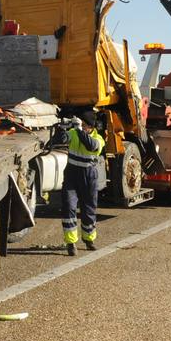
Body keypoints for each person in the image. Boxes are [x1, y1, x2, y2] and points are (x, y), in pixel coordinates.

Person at [61, 109, 105, 255]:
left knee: (89, 209)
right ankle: (71, 242)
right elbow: (62, 140)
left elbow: (90, 146)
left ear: (92, 127)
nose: (83, 127)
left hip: (89, 176)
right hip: (72, 174)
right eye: (82, 124)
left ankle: (88, 239)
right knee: (69, 207)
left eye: (86, 125)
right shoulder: (74, 133)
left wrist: (79, 129)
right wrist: (62, 129)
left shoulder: (98, 139)